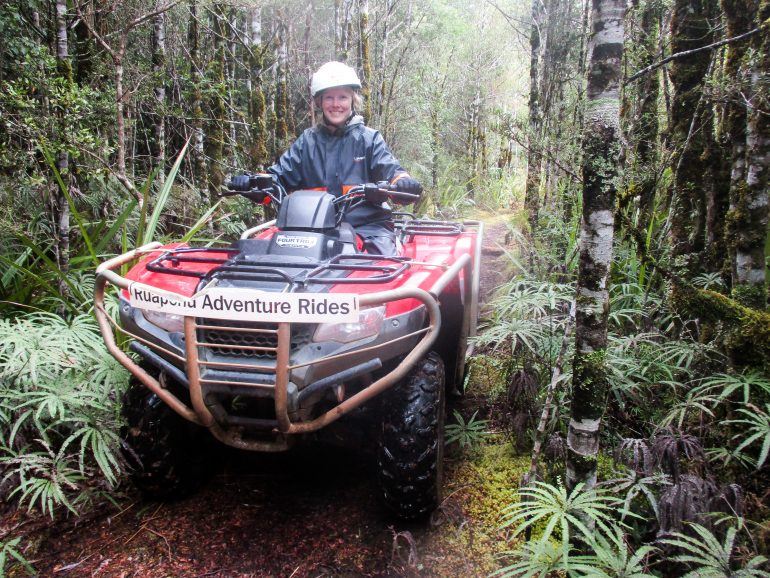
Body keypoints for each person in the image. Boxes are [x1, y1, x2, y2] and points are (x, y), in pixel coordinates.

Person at [267, 61, 422, 255]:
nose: (336, 104)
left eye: (342, 97)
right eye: (329, 97)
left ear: (352, 100)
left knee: (383, 264)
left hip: (367, 227)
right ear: (319, 102)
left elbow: (390, 169)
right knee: (264, 256)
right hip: (309, 230)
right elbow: (278, 176)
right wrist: (256, 184)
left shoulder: (369, 139)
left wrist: (403, 183)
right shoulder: (307, 141)